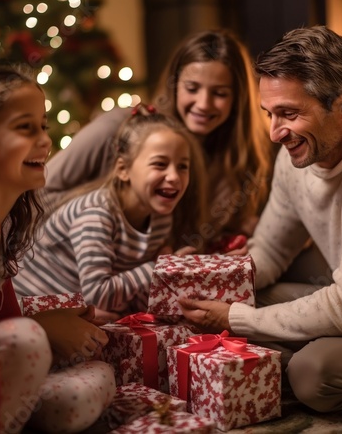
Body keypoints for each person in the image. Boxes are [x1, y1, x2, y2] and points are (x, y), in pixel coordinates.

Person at [179, 25, 342, 415]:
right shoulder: (297, 156)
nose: (275, 133)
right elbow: (271, 251)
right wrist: (206, 276)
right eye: (269, 114)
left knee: (313, 375)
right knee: (239, 299)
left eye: (289, 114)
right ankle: (285, 360)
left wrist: (234, 317)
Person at [0, 65, 115, 433]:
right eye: (25, 127)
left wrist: (59, 319)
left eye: (43, 126)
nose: (45, 140)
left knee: (83, 390)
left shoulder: (0, 224)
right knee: (25, 341)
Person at [43, 29, 275, 250]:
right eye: (192, 88)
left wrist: (237, 240)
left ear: (238, 99)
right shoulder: (116, 127)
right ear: (174, 86)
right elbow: (39, 192)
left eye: (220, 93)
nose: (204, 104)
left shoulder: (239, 160)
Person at [13, 104, 208, 316]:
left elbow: (134, 288)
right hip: (35, 308)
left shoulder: (161, 218)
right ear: (123, 170)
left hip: (84, 305)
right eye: (160, 164)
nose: (174, 176)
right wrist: (160, 267)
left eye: (183, 167)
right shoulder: (95, 215)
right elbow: (98, 295)